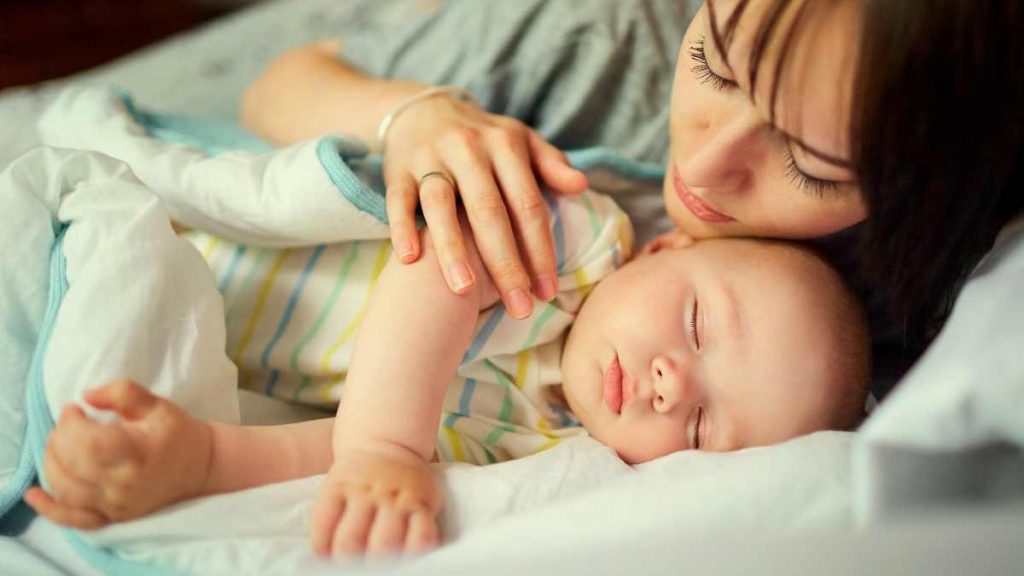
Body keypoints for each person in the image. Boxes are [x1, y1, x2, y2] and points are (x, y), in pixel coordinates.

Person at [23, 188, 868, 557]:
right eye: (694, 325)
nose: (668, 383)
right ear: (662, 249)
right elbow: (438, 274)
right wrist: (387, 448)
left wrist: (203, 459)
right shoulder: (567, 246)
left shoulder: (533, 444)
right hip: (208, 241)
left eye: (699, 429)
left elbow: (341, 458)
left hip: (202, 324)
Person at [239, 0, 1021, 395]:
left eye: (814, 164)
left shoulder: (950, 297)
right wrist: (412, 114)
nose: (706, 167)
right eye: (715, 65)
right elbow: (277, 85)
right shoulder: (600, 40)